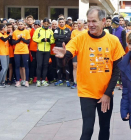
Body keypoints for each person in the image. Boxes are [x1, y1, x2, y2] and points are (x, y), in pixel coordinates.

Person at [53, 6, 125, 140]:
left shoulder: (113, 41)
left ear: (103, 21)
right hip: (86, 92)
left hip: (106, 93)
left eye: (94, 21)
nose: (90, 25)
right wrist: (64, 56)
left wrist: (107, 94)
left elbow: (117, 71)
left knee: (104, 128)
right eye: (88, 21)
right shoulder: (80, 38)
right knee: (87, 129)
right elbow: (69, 52)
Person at [33, 18, 55, 87]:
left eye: (47, 24)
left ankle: (43, 80)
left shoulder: (50, 31)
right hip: (40, 49)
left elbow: (53, 40)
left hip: (47, 50)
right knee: (39, 65)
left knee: (45, 65)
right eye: (44, 24)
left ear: (48, 24)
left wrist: (49, 41)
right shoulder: (38, 30)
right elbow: (34, 38)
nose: (46, 25)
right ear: (42, 24)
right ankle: (38, 80)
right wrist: (41, 40)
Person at [12, 20, 30, 87]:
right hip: (17, 51)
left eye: (21, 24)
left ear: (24, 25)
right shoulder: (15, 32)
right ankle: (17, 81)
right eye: (19, 24)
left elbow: (28, 41)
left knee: (26, 66)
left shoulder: (26, 31)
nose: (20, 25)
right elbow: (13, 42)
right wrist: (19, 39)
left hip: (25, 51)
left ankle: (26, 81)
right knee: (17, 66)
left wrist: (21, 38)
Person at [53, 18, 71, 87]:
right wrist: (63, 37)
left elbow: (68, 38)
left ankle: (67, 80)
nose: (61, 23)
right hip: (58, 49)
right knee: (58, 65)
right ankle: (59, 79)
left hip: (65, 49)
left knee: (66, 65)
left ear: (64, 22)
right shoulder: (57, 29)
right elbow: (55, 36)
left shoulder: (67, 29)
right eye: (60, 22)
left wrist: (60, 38)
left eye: (62, 22)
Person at [70, 19, 87, 89]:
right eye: (78, 23)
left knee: (83, 66)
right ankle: (75, 82)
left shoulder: (86, 32)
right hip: (76, 51)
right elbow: (72, 41)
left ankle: (83, 82)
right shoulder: (74, 32)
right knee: (74, 66)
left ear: (83, 24)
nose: (79, 24)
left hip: (84, 51)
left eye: (80, 23)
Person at [28, 20, 41, 85]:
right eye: (36, 24)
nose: (37, 26)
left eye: (38, 25)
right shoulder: (31, 31)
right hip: (32, 49)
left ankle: (37, 77)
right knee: (33, 64)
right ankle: (31, 77)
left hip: (39, 49)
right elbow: (29, 40)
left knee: (38, 64)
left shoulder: (41, 30)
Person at [0, 23, 11, 87]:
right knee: (4, 68)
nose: (7, 29)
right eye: (6, 28)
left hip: (7, 53)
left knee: (6, 68)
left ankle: (3, 81)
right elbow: (4, 40)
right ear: (2, 28)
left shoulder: (5, 34)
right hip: (2, 53)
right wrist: (10, 35)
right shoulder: (0, 34)